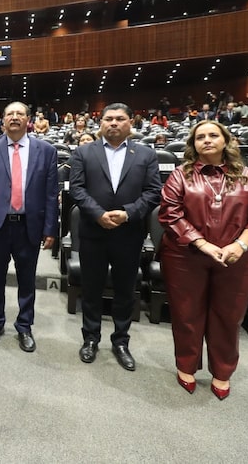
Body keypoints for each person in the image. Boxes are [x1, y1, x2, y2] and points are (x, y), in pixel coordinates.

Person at [158, 120, 248, 399]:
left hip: (239, 258)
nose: (207, 140)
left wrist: (240, 245)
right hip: (186, 255)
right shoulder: (180, 175)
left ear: (225, 141)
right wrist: (203, 244)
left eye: (213, 135)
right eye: (200, 137)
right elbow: (170, 213)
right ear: (193, 144)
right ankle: (186, 366)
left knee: (228, 316)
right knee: (186, 314)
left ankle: (222, 371)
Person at [69, 103, 162, 371]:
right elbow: (77, 189)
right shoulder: (84, 152)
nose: (113, 123)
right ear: (100, 123)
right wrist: (98, 214)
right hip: (93, 232)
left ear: (130, 122)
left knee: (125, 290)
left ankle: (121, 341)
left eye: (120, 119)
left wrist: (127, 213)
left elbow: (153, 192)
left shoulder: (145, 154)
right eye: (108, 118)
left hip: (128, 233)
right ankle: (90, 338)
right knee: (91, 289)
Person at [0, 102, 58, 352]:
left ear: (28, 120)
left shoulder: (46, 150)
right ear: (2, 120)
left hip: (28, 225)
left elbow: (51, 194)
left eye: (20, 114)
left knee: (27, 279)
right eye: (9, 114)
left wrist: (50, 229)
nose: (14, 117)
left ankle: (24, 326)